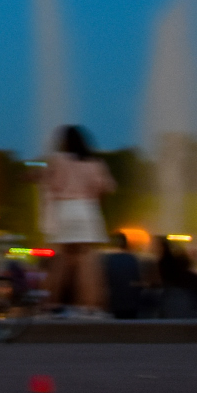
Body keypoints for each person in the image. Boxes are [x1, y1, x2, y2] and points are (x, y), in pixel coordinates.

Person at [35, 125, 115, 319]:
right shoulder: (94, 162)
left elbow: (48, 185)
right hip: (87, 210)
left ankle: (50, 304)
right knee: (87, 262)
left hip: (65, 210)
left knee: (60, 260)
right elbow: (107, 187)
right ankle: (89, 306)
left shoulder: (58, 160)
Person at [100, 232, 144, 320]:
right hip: (131, 304)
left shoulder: (108, 260)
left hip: (114, 304)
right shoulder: (132, 259)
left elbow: (104, 282)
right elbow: (137, 281)